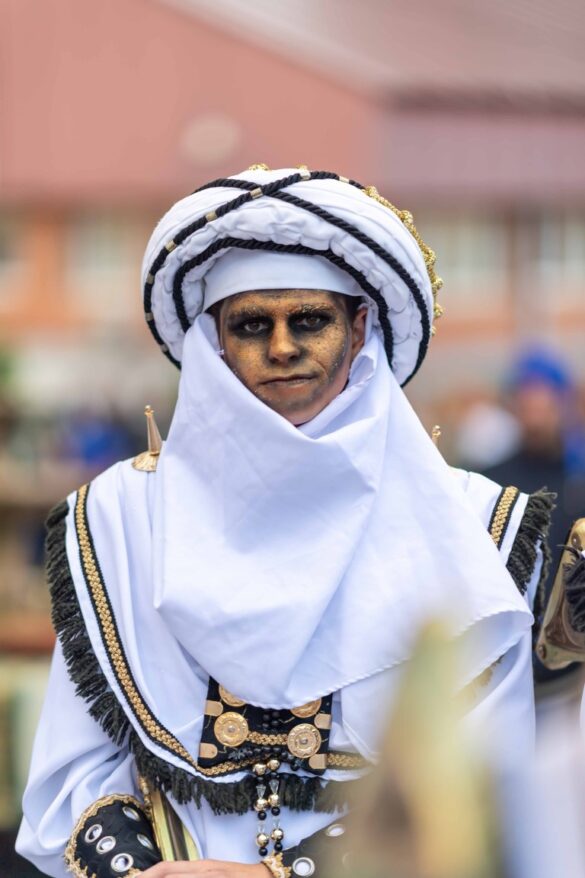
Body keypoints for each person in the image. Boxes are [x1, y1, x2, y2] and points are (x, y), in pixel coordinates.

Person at [17, 167, 553, 878]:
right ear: (213, 338)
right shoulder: (117, 519)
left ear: (358, 328)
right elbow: (72, 777)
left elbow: (480, 787)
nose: (280, 348)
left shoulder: (473, 526)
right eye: (251, 325)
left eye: (308, 320)